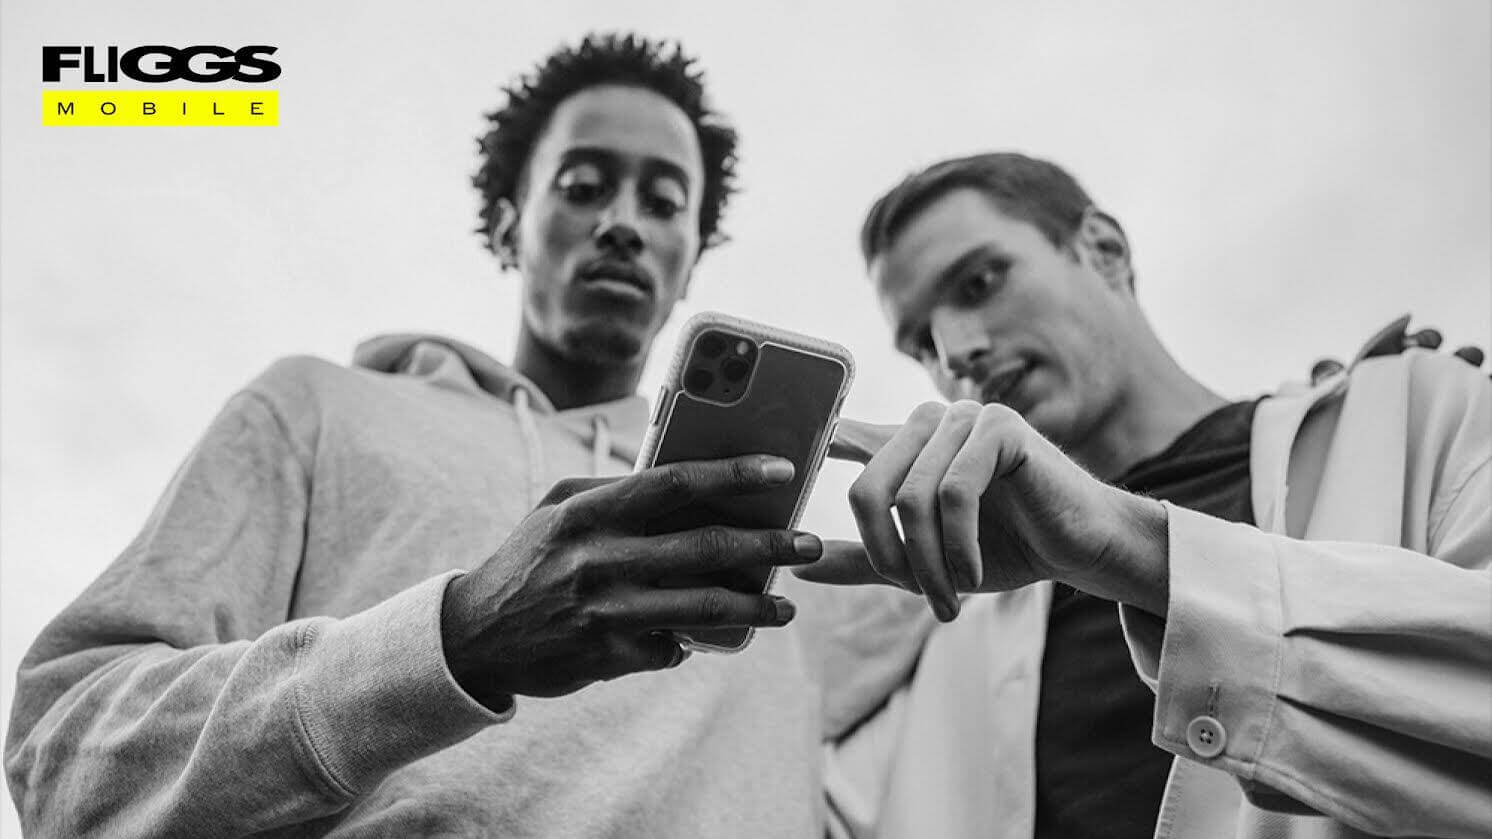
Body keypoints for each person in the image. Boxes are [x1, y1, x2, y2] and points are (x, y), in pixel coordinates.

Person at [5, 33, 917, 837]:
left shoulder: (794, 564)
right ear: (508, 226)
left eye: (665, 201)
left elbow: (990, 669)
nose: (622, 225)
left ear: (689, 270)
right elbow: (64, 758)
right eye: (583, 186)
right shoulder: (317, 409)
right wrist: (456, 639)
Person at [800, 152, 1491, 838]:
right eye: (921, 343)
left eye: (980, 283)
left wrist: (1134, 551)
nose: (954, 352)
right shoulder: (953, 640)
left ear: (1103, 250)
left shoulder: (1415, 418)